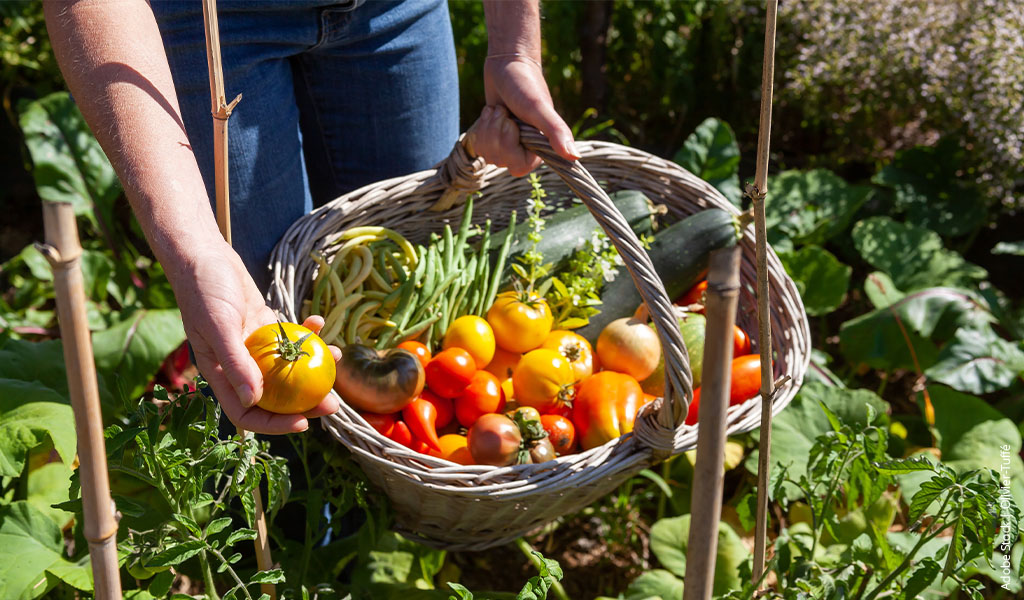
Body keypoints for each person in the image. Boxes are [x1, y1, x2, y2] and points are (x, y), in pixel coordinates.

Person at [44, 0, 578, 435]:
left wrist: (514, 48)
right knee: (249, 335)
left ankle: (374, 522)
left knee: (413, 277)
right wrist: (194, 250)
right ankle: (299, 524)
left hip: (395, 10)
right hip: (206, 21)